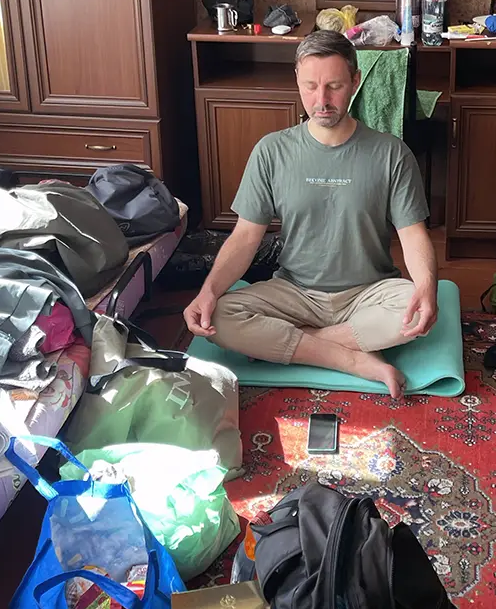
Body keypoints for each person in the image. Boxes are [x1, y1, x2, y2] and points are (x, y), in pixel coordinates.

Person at [184, 30, 438, 399]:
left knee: (419, 308)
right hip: (294, 292)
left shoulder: (391, 154)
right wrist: (208, 292)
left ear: (355, 80)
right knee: (219, 317)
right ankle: (351, 359)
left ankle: (301, 345)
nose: (322, 100)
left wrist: (427, 288)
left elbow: (413, 235)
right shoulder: (271, 151)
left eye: (334, 86)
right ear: (297, 82)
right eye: (310, 86)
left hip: (369, 292)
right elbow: (244, 237)